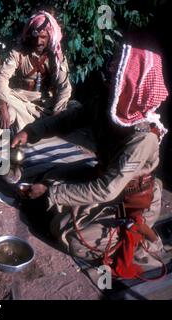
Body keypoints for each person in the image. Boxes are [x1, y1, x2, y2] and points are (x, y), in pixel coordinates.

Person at [11, 44, 169, 279]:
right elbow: (68, 119)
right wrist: (30, 132)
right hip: (104, 177)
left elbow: (107, 189)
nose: (111, 68)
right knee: (47, 181)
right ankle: (65, 204)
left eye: (118, 68)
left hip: (131, 201)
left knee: (69, 236)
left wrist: (54, 194)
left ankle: (141, 240)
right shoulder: (108, 104)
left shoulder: (143, 137)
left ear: (132, 83)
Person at [0, 11, 74, 132]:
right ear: (29, 36)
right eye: (35, 37)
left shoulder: (56, 57)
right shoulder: (18, 53)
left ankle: (41, 125)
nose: (38, 42)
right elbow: (2, 77)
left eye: (43, 37)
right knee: (8, 106)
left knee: (75, 107)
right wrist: (2, 105)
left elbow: (64, 87)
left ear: (50, 36)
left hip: (46, 103)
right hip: (21, 100)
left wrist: (56, 113)